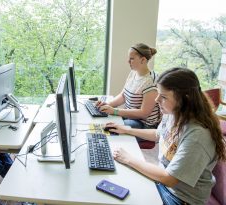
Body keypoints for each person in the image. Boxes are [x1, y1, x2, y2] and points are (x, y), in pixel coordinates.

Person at [106, 67, 226, 204]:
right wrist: (126, 129)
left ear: (184, 99)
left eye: (163, 97)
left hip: (180, 198)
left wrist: (128, 159)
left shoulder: (197, 136)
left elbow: (169, 178)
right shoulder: (173, 113)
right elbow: (158, 134)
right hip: (163, 183)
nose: (157, 100)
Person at [97, 43, 161, 130]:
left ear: (143, 60)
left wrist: (114, 111)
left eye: (131, 59)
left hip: (144, 124)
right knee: (103, 121)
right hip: (130, 118)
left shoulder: (151, 82)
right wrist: (108, 105)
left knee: (110, 127)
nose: (128, 61)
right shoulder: (133, 73)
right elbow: (123, 95)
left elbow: (144, 113)